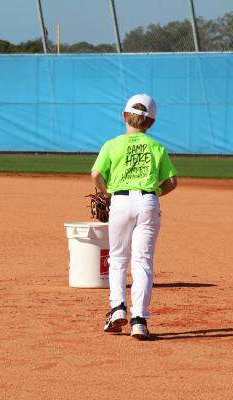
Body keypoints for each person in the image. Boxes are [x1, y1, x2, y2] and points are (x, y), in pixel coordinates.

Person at [91, 93, 178, 340]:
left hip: (120, 200)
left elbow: (96, 173)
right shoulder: (157, 147)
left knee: (118, 258)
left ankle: (117, 308)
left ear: (124, 116)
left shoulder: (112, 144)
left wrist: (107, 193)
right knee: (142, 261)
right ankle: (139, 320)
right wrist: (155, 192)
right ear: (151, 123)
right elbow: (173, 181)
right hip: (148, 202)